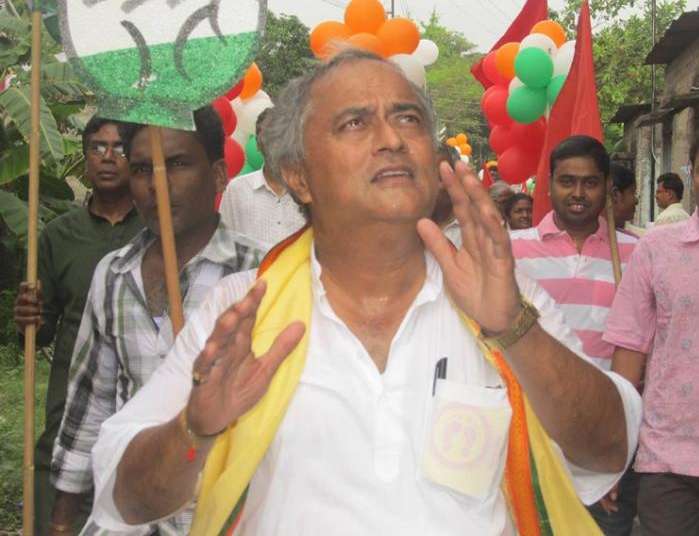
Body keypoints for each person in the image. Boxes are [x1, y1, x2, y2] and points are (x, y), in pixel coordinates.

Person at [89, 50, 640, 535]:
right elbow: (125, 499)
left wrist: (514, 332)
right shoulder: (243, 310)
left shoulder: (505, 298)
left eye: (408, 119)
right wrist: (195, 428)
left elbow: (608, 450)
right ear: (299, 177)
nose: (393, 138)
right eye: (355, 122)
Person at [49, 106, 264, 535]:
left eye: (178, 164)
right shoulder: (113, 273)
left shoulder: (259, 276)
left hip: (217, 522)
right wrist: (61, 523)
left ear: (218, 176)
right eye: (142, 168)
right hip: (127, 518)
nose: (157, 185)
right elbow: (90, 405)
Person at [605, 122, 699, 536]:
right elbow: (629, 352)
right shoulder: (656, 250)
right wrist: (614, 454)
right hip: (669, 457)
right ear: (692, 176)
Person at [13, 115, 143, 535]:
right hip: (69, 397)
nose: (107, 157)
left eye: (119, 148)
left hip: (139, 397)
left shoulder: (156, 230)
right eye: (97, 148)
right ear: (85, 158)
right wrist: (30, 319)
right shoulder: (57, 236)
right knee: (57, 509)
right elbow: (42, 332)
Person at [509, 137, 640, 535]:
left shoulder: (638, 255)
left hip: (607, 432)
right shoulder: (512, 250)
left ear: (608, 187)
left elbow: (637, 354)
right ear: (549, 185)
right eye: (567, 181)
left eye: (590, 182)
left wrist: (609, 460)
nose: (579, 193)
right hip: (531, 438)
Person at [219, 109, 306, 253]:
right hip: (251, 268)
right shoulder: (236, 190)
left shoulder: (311, 190)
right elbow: (224, 243)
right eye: (267, 137)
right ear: (258, 145)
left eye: (279, 136)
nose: (274, 145)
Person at [610, 163, 644, 237]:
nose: (636, 201)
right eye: (633, 192)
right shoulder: (633, 241)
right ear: (615, 194)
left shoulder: (637, 237)